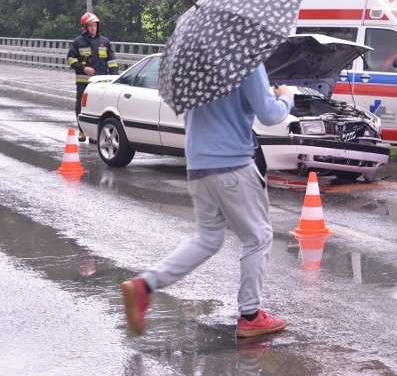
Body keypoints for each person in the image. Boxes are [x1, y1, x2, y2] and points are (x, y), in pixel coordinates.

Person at [120, 65, 296, 339]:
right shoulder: (246, 61)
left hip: (198, 165)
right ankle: (250, 315)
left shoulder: (193, 65)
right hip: (232, 164)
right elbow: (270, 114)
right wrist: (286, 96)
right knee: (258, 238)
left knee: (208, 239)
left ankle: (145, 285)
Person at [67, 13, 119, 142]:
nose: (93, 28)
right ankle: (82, 131)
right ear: (85, 27)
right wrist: (83, 68)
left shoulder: (105, 42)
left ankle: (94, 134)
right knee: (81, 106)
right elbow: (70, 59)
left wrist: (114, 77)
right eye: (90, 25)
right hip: (83, 82)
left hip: (101, 83)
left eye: (95, 25)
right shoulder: (78, 42)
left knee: (99, 108)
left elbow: (112, 62)